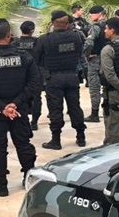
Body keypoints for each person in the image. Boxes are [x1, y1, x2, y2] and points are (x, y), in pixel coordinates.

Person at [0, 19, 41, 197]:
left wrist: (3, 107)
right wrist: (15, 103)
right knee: (23, 143)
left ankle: (1, 185)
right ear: (9, 35)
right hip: (19, 109)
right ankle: (29, 177)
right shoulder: (24, 56)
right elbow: (34, 82)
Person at [34, 10, 87, 150]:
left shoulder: (44, 39)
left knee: (55, 109)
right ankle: (81, 137)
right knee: (75, 107)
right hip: (72, 76)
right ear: (67, 23)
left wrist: (45, 75)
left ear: (52, 23)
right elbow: (80, 54)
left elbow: (36, 60)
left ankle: (56, 140)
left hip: (54, 78)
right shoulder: (77, 37)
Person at [14, 20, 42, 130]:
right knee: (36, 99)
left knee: (21, 98)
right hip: (35, 74)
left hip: (19, 75)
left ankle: (23, 120)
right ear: (32, 30)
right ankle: (34, 122)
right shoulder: (38, 42)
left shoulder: (15, 43)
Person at [83, 5, 107, 122]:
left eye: (92, 13)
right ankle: (108, 109)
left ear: (99, 14)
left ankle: (95, 113)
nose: (90, 16)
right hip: (110, 60)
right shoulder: (111, 25)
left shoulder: (96, 27)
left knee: (94, 87)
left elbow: (88, 43)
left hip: (96, 60)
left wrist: (86, 55)